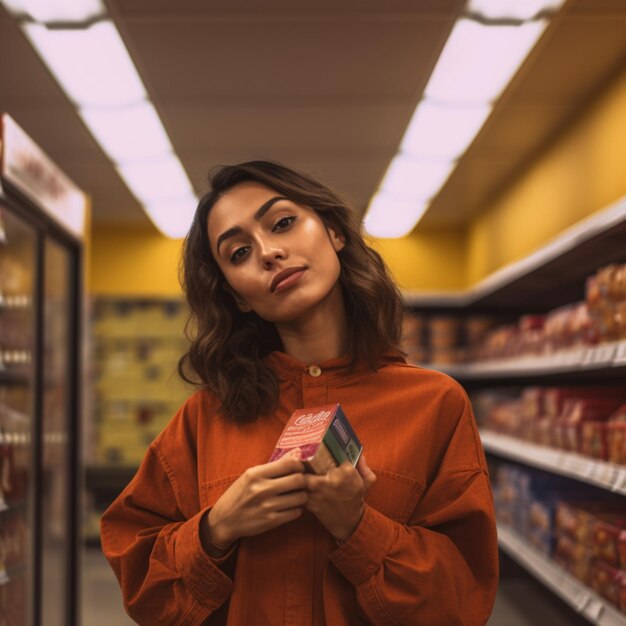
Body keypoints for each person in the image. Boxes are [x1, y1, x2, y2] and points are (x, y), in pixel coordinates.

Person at [100, 161, 499, 625]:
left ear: (334, 232)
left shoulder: (435, 404)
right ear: (239, 297)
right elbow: (140, 576)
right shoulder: (205, 416)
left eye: (283, 223)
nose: (268, 252)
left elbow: (462, 597)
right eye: (239, 253)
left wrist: (358, 525)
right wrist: (214, 528)